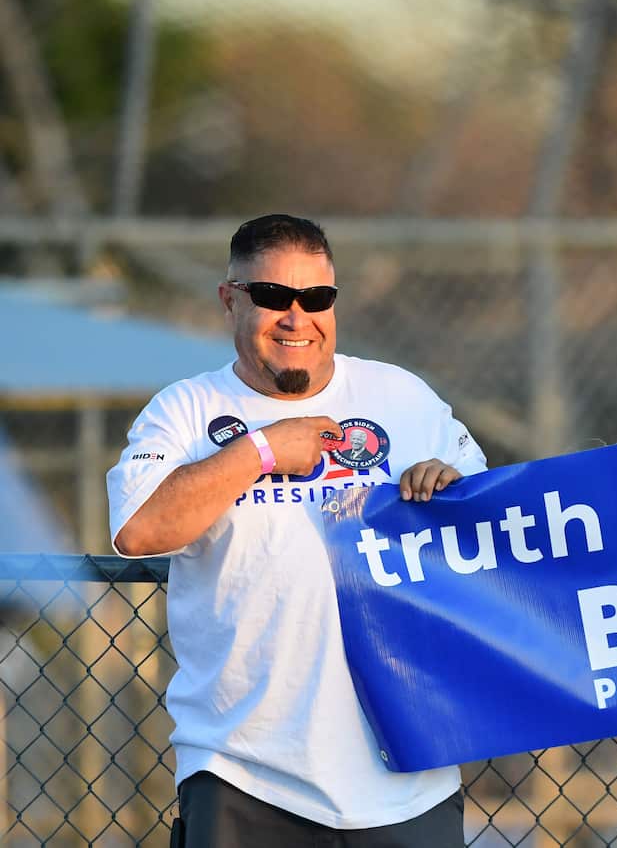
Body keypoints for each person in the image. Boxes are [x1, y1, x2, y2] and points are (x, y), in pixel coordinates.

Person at [107, 214, 486, 847]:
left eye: (316, 298)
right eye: (271, 296)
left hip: (408, 769)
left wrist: (449, 485)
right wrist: (260, 451)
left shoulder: (402, 397)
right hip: (245, 771)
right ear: (230, 299)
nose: (296, 317)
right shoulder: (185, 408)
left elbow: (493, 531)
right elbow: (140, 529)